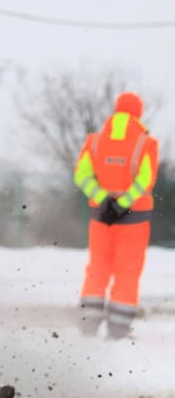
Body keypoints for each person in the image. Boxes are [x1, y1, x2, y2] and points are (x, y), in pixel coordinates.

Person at [73, 91, 158, 340]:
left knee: (97, 268)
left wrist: (103, 200)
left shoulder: (95, 140)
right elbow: (146, 179)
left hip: (100, 216)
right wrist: (123, 204)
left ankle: (88, 326)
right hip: (135, 218)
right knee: (127, 271)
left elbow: (82, 175)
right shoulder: (146, 143)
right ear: (138, 112)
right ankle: (118, 330)